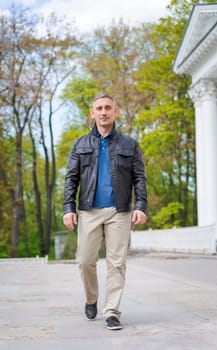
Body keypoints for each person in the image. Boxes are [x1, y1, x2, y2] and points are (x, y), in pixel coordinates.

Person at [63, 93, 147, 330]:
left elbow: (139, 178)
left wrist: (140, 206)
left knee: (116, 263)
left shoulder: (129, 145)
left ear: (115, 111)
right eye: (99, 108)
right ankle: (91, 299)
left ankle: (112, 311)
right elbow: (71, 179)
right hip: (88, 211)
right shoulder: (80, 144)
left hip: (119, 211)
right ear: (93, 113)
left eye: (108, 107)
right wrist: (68, 208)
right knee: (85, 261)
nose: (103, 112)